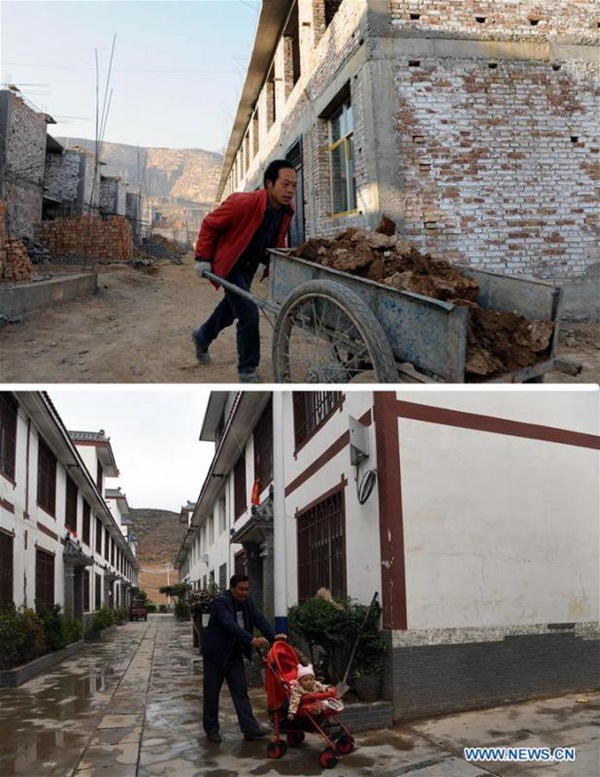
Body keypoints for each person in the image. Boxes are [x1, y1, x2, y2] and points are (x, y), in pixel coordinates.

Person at [192, 159, 297, 383]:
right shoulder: (243, 202)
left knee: (231, 309)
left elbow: (276, 237)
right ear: (269, 183)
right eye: (285, 184)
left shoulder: (286, 210)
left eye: (294, 186)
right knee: (248, 312)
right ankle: (247, 369)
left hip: (249, 266)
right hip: (230, 263)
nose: (290, 190)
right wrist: (202, 258)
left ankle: (202, 336)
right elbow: (210, 224)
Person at [201, 574, 287, 743]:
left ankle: (250, 728)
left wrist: (273, 637)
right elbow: (230, 624)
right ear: (232, 588)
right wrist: (251, 639)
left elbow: (258, 619)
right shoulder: (221, 602)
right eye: (241, 589)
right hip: (216, 655)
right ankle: (211, 729)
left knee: (241, 692)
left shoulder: (247, 602)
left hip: (234, 654)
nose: (244, 593)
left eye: (247, 589)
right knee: (212, 693)